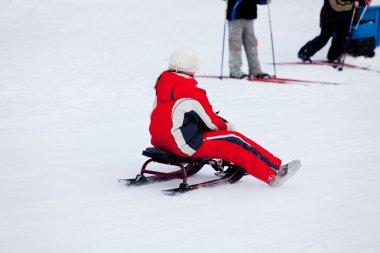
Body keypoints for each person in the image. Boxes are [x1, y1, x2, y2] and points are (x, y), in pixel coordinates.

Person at [149, 48, 301, 187]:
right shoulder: (192, 93)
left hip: (160, 140)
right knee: (234, 140)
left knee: (214, 132)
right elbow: (212, 123)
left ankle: (242, 162)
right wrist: (228, 127)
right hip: (183, 145)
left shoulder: (162, 85)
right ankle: (274, 173)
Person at [298, 0, 372, 62]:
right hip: (330, 17)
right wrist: (353, 3)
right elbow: (336, 6)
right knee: (324, 38)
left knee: (342, 37)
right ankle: (305, 53)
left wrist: (363, 1)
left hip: (344, 18)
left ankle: (334, 56)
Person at [226, 0, 271, 79]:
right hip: (235, 15)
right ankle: (235, 70)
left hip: (250, 15)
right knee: (236, 44)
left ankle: (255, 70)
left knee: (251, 44)